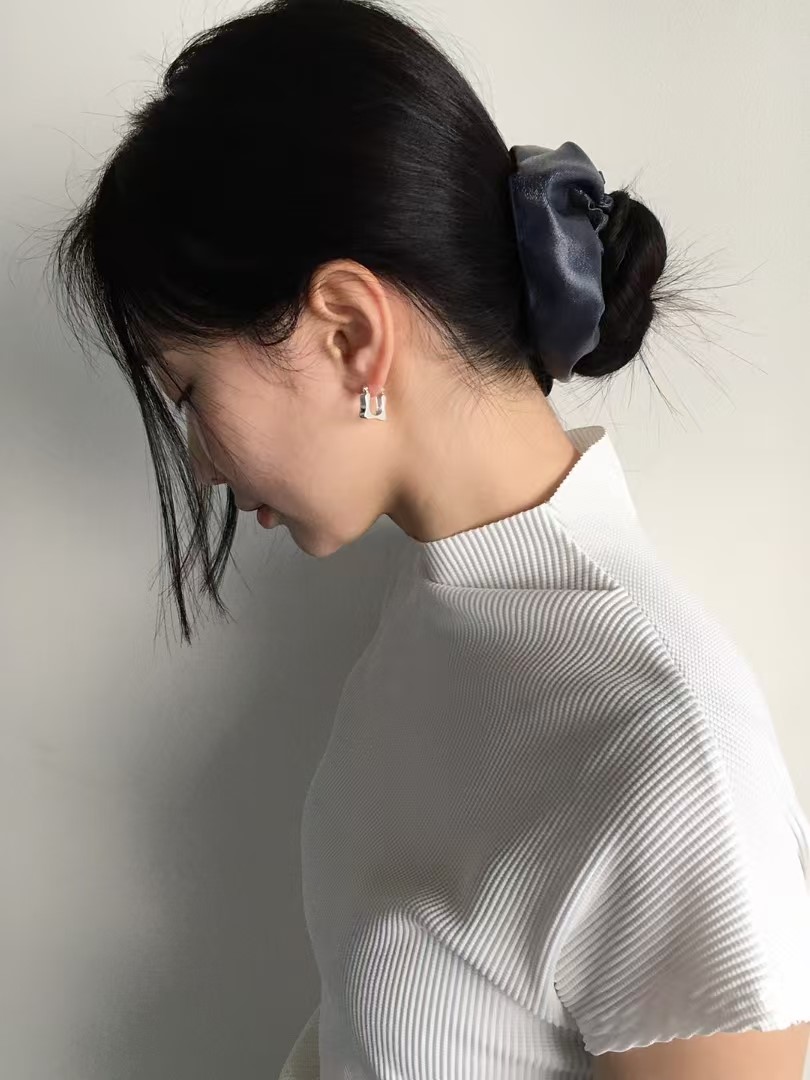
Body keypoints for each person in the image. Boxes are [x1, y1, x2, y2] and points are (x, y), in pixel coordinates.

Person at [46, 1, 810, 1077]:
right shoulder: (442, 616)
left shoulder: (660, 747)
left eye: (189, 393)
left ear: (349, 332)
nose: (201, 466)